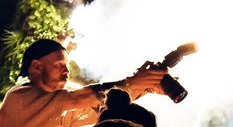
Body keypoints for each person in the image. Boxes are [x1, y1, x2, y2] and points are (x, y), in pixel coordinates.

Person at [0, 39, 167, 127]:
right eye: (59, 65)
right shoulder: (19, 97)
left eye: (66, 66)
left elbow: (101, 106)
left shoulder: (61, 112)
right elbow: (76, 99)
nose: (66, 71)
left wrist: (145, 87)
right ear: (37, 66)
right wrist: (131, 83)